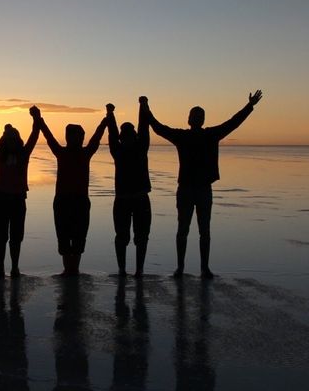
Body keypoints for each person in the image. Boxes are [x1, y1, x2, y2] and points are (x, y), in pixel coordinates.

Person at [146, 90, 263, 278]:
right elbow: (159, 128)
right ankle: (181, 267)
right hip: (186, 189)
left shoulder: (210, 135)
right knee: (183, 229)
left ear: (201, 120)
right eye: (195, 115)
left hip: (202, 189)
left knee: (204, 231)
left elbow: (233, 122)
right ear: (189, 119)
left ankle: (204, 268)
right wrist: (146, 109)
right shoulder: (183, 136)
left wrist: (249, 106)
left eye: (200, 115)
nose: (197, 118)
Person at [36, 106, 107, 276]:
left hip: (80, 201)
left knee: (79, 237)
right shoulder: (61, 152)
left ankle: (73, 269)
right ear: (68, 137)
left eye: (80, 136)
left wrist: (106, 119)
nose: (78, 139)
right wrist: (38, 119)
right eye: (74, 135)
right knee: (64, 237)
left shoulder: (86, 152)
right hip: (63, 200)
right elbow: (48, 136)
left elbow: (97, 137)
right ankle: (68, 269)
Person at [0, 104, 41, 277]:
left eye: (14, 139)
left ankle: (14, 267)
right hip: (0, 199)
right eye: (8, 139)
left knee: (16, 236)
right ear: (4, 141)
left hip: (18, 200)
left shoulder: (24, 154)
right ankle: (0, 267)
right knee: (0, 237)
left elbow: (35, 135)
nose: (12, 142)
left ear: (18, 141)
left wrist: (36, 117)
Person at [104, 99, 151, 277]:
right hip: (123, 199)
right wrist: (110, 114)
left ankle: (139, 269)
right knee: (122, 236)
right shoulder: (118, 150)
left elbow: (143, 126)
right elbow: (112, 132)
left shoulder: (141, 148)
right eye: (126, 135)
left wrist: (143, 106)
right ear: (122, 138)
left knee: (141, 236)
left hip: (140, 198)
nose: (128, 138)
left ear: (134, 136)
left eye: (131, 134)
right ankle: (122, 269)